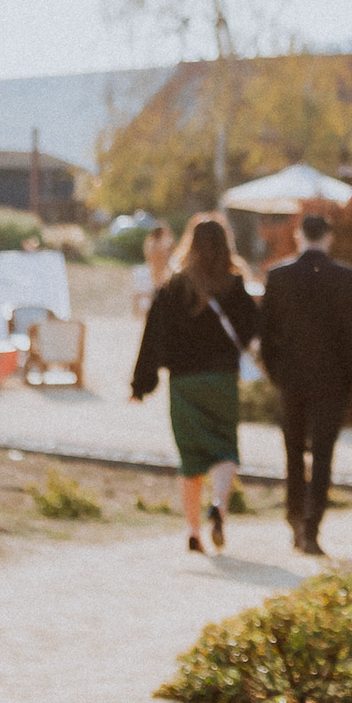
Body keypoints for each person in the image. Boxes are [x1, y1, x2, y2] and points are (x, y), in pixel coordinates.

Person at [129, 212, 258, 554]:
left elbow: (152, 337)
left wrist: (140, 384)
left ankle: (193, 531)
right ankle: (219, 506)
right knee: (225, 450)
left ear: (191, 244)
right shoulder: (234, 286)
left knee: (191, 460)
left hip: (184, 384)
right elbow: (250, 330)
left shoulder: (173, 288)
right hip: (222, 381)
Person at [258, 208, 352, 555]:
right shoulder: (346, 278)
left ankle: (293, 517)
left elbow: (267, 333)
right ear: (329, 237)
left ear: (299, 236)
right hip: (331, 379)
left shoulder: (279, 276)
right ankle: (312, 526)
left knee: (292, 452)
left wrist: (275, 371)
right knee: (322, 455)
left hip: (291, 378)